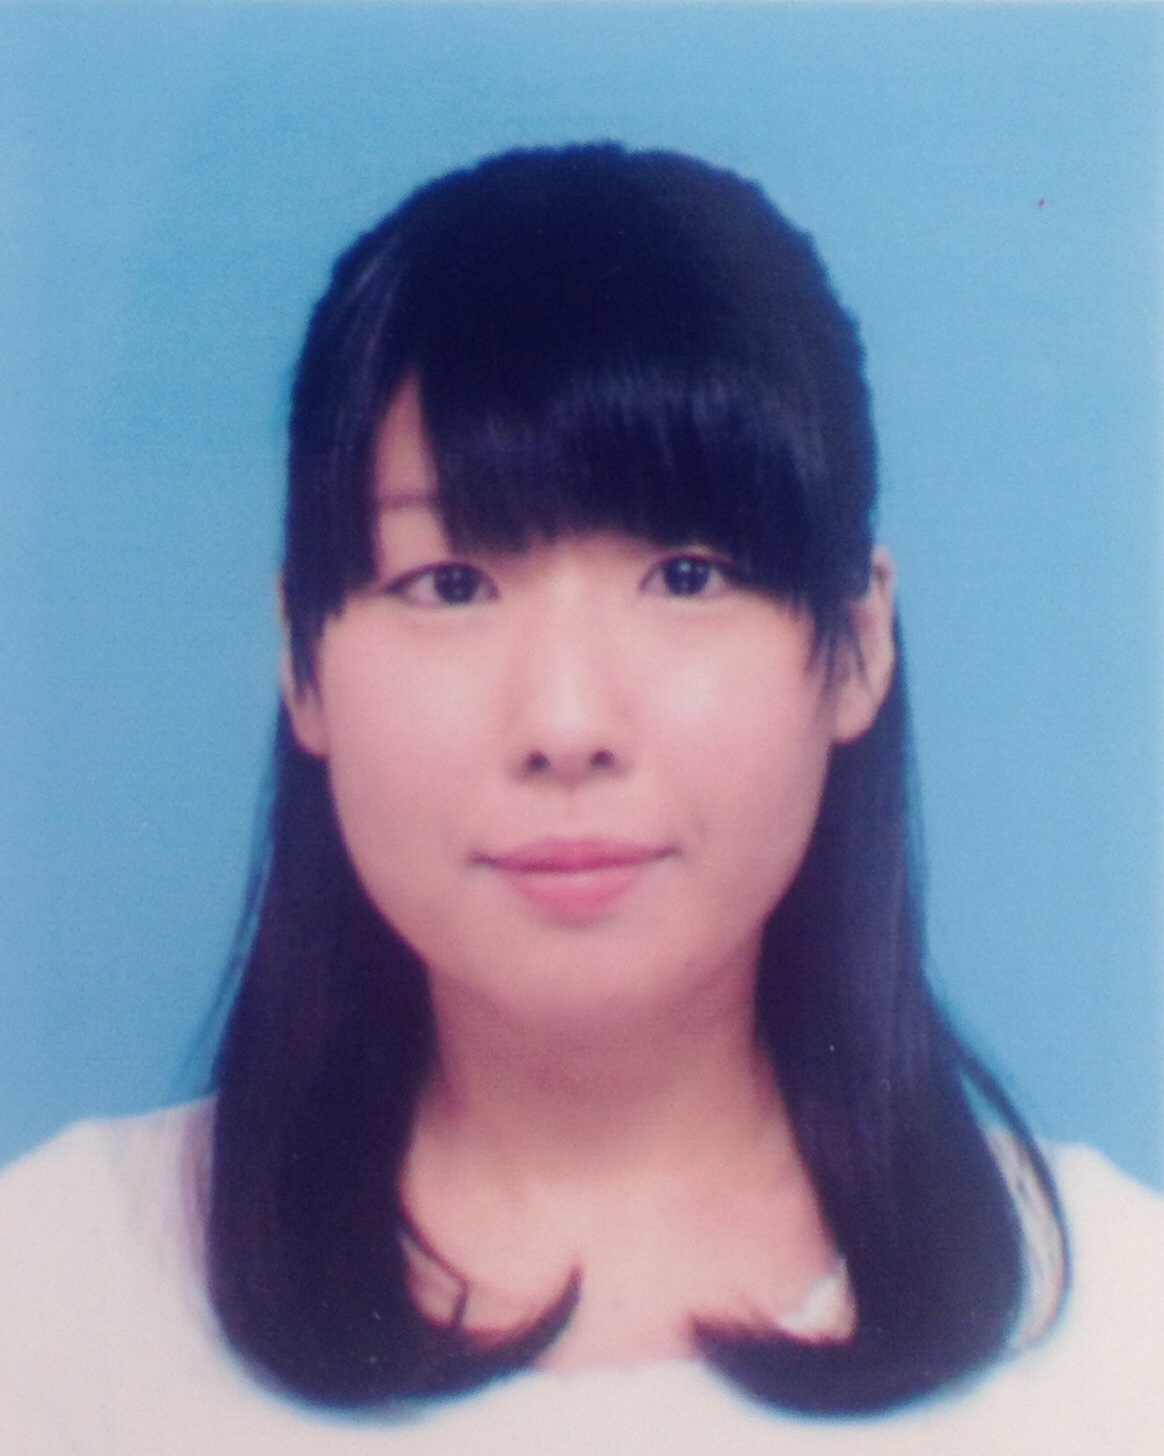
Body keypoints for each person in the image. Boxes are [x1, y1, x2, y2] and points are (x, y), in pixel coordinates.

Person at [0, 143, 1160, 1454]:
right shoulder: (57, 1302)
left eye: (686, 576)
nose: (565, 725)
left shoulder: (1115, 1337)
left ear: (857, 646)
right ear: (302, 659)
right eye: (451, 585)